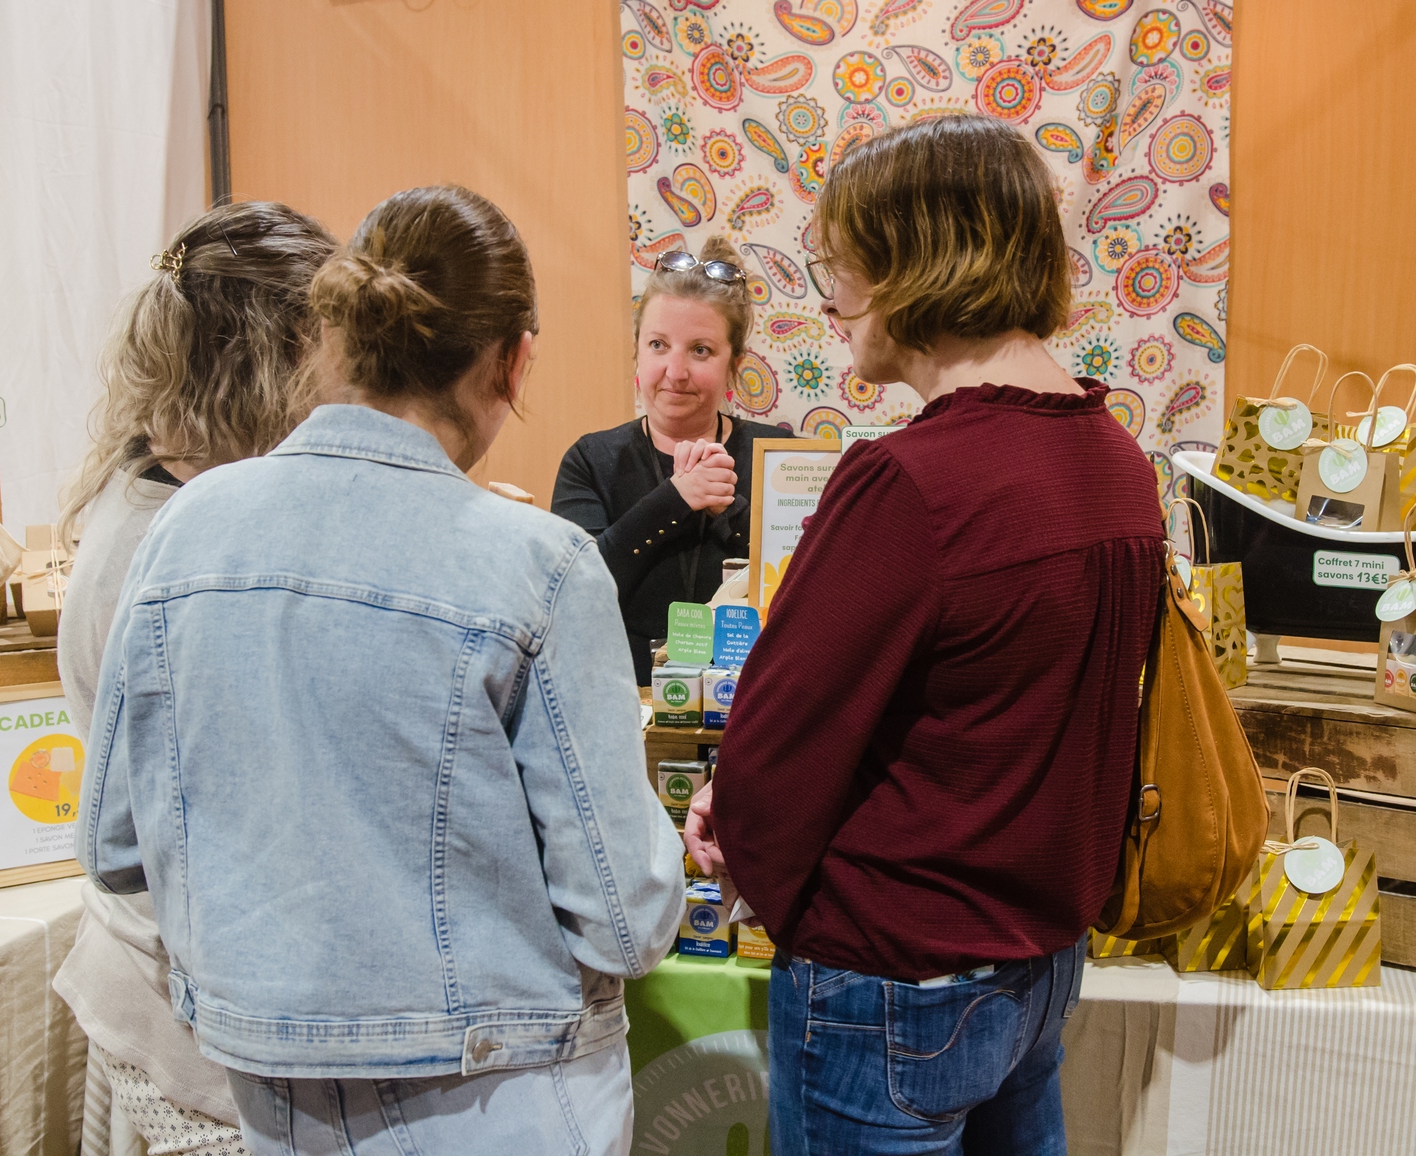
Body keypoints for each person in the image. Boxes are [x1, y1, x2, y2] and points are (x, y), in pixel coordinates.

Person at [77, 184, 684, 1155]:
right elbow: (626, 918)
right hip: (504, 1095)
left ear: (334, 332)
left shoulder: (187, 527)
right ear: (514, 360)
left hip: (274, 1096)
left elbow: (116, 843)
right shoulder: (538, 565)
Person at [684, 115, 1167, 1154]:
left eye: (841, 264)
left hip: (892, 975)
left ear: (914, 261)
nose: (828, 298)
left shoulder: (913, 482)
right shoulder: (1119, 465)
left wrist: (745, 844)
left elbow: (778, 745)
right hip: (1038, 965)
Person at [53, 200, 336, 1156]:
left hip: (167, 972)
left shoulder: (160, 489)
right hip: (194, 1017)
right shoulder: (180, 549)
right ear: (278, 361)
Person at [552, 237, 793, 684]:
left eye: (700, 350)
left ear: (734, 364)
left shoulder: (778, 457)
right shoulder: (591, 460)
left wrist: (731, 510)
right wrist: (674, 499)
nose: (676, 372)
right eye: (659, 345)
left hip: (749, 703)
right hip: (623, 703)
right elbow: (573, 589)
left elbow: (808, 594)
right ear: (637, 350)